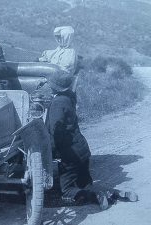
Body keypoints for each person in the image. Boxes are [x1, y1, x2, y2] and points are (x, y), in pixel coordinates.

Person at [42, 27, 138, 209]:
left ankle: (95, 197)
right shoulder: (70, 99)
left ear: (54, 88)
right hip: (83, 151)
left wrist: (49, 152)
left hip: (70, 156)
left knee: (67, 191)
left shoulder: (56, 105)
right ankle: (113, 193)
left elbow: (55, 131)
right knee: (86, 182)